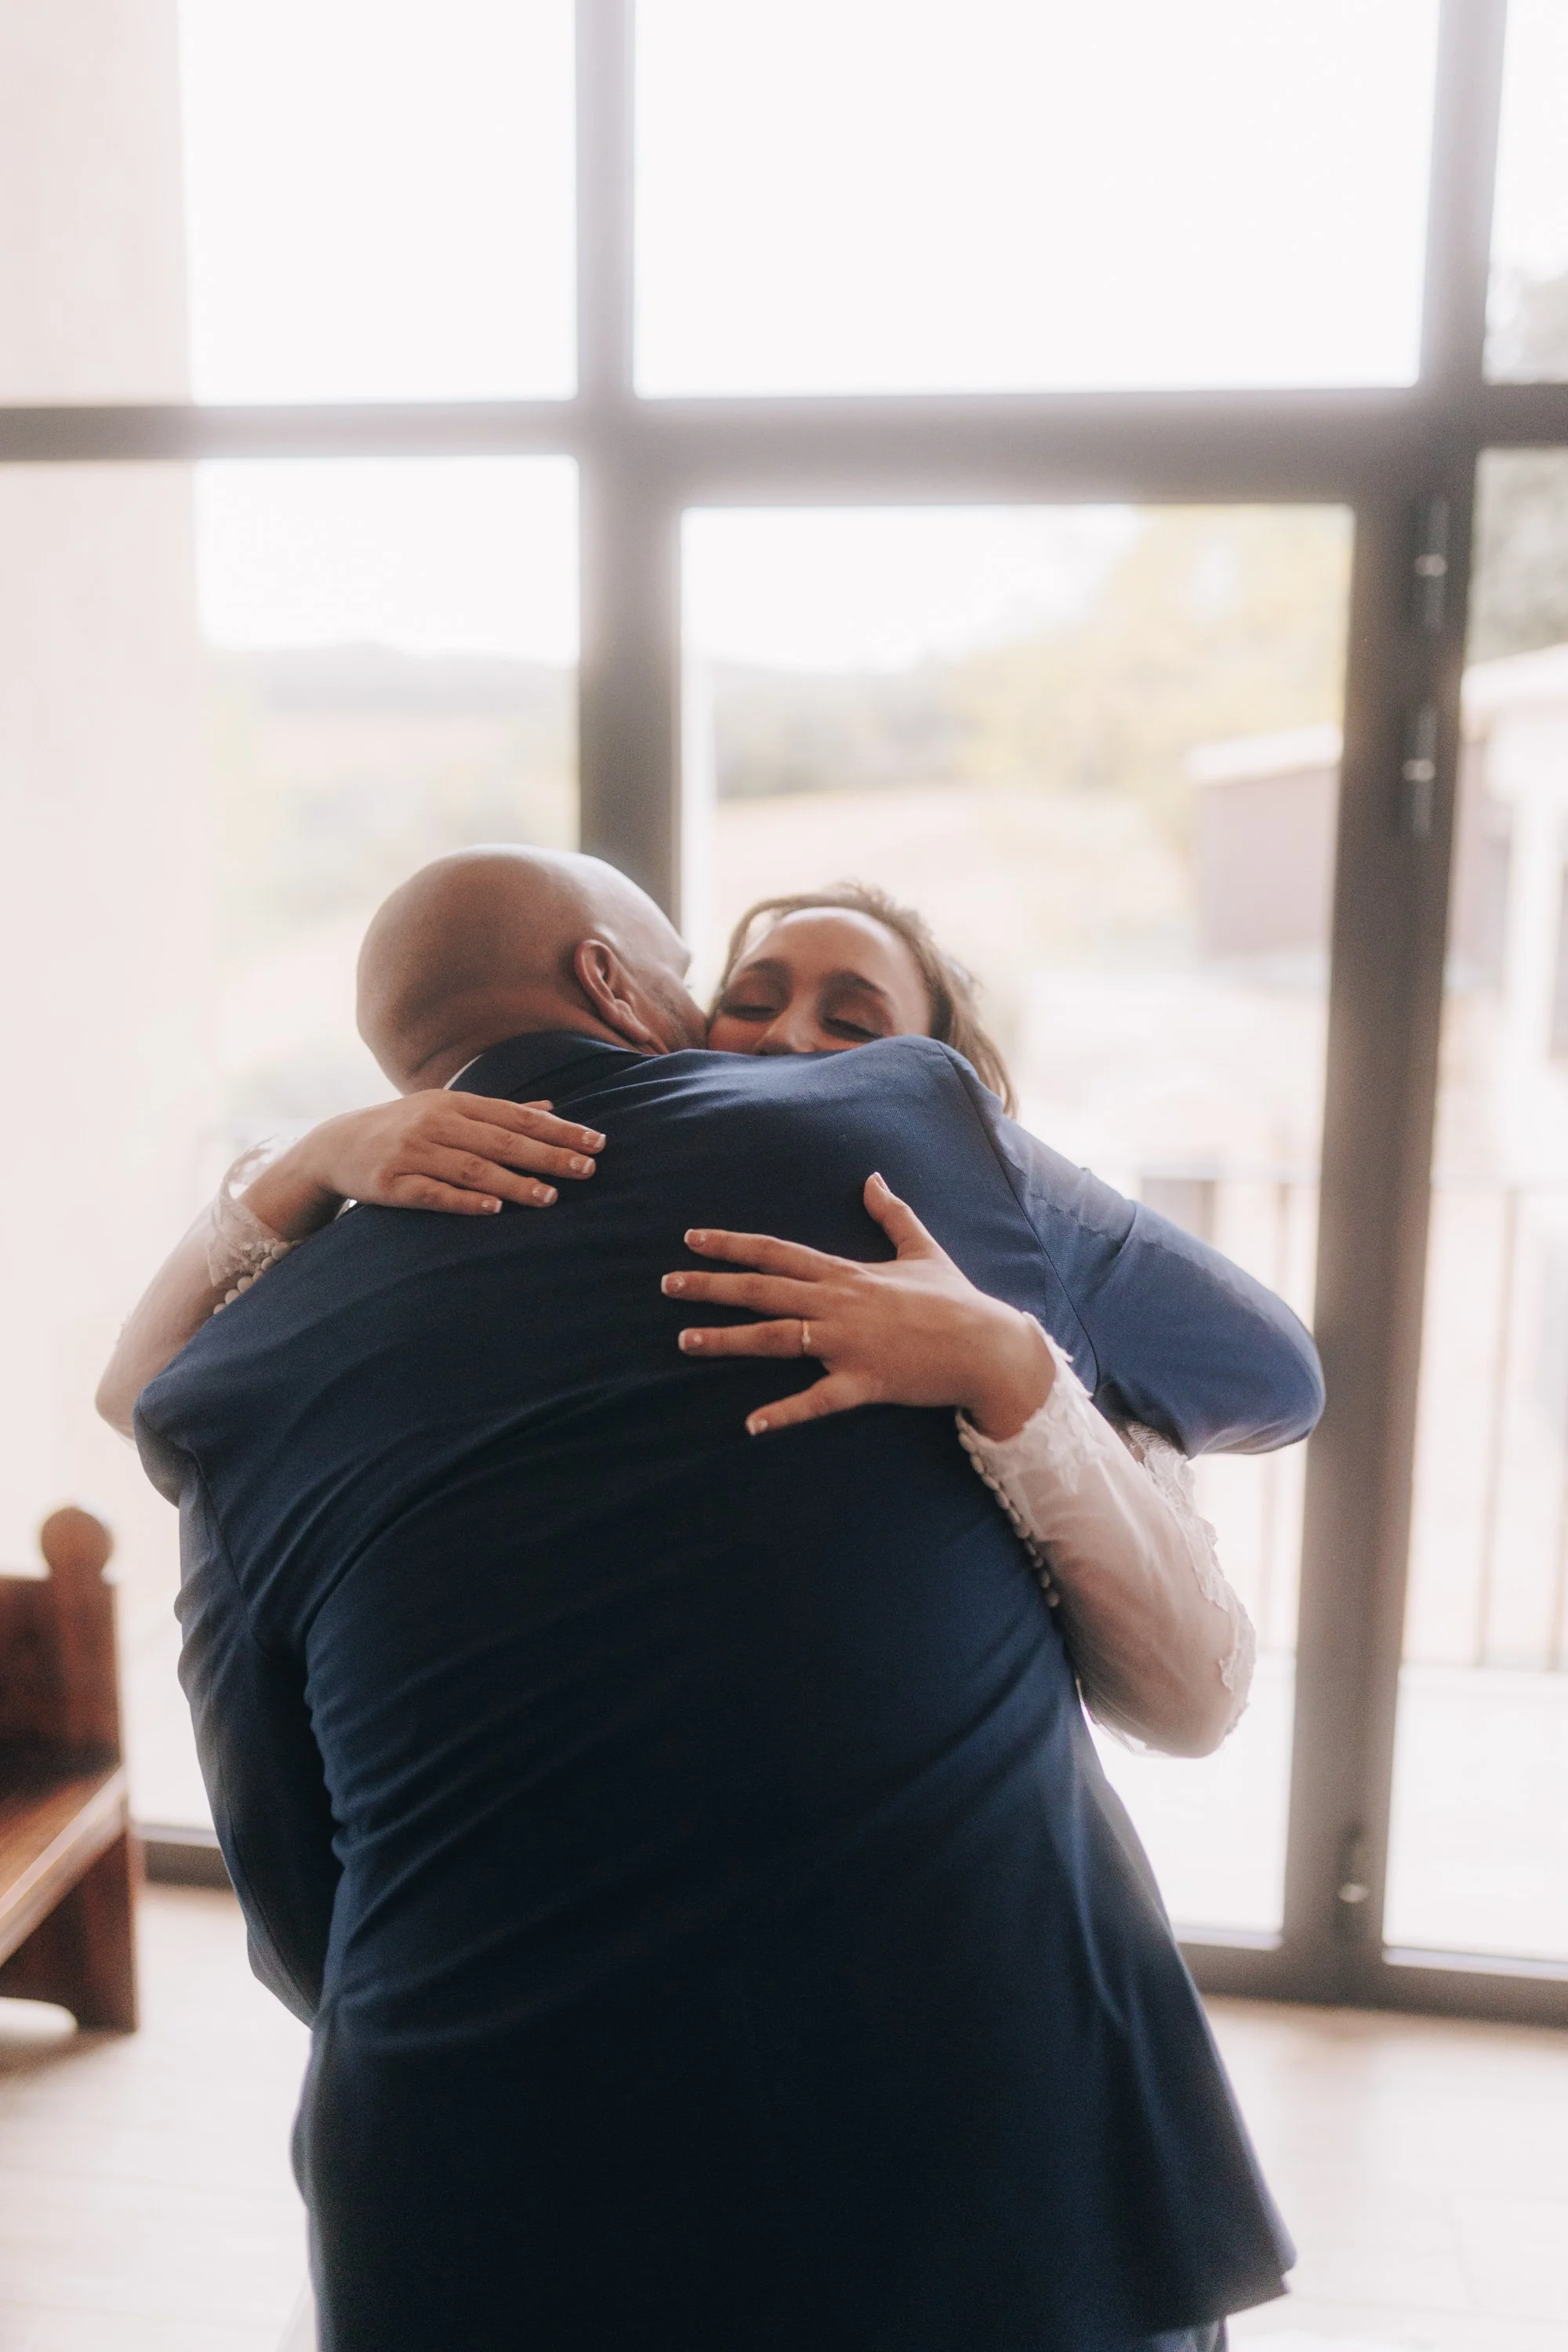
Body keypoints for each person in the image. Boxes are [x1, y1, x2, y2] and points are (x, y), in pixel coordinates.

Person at [125, 849, 1321, 2350]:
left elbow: (310, 1918)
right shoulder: (912, 1129)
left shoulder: (240, 1380)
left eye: (845, 1007)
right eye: (723, 984)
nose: (757, 1031)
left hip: (476, 2208)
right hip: (992, 2173)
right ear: (615, 985)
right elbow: (1276, 1379)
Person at [101, 879, 1261, 1751]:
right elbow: (143, 1393)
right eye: (749, 1001)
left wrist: (1009, 1365)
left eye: (855, 1026)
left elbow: (1195, 1681)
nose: (795, 1038)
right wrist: (305, 1159)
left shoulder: (975, 1226)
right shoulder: (551, 1210)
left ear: (940, 1083)